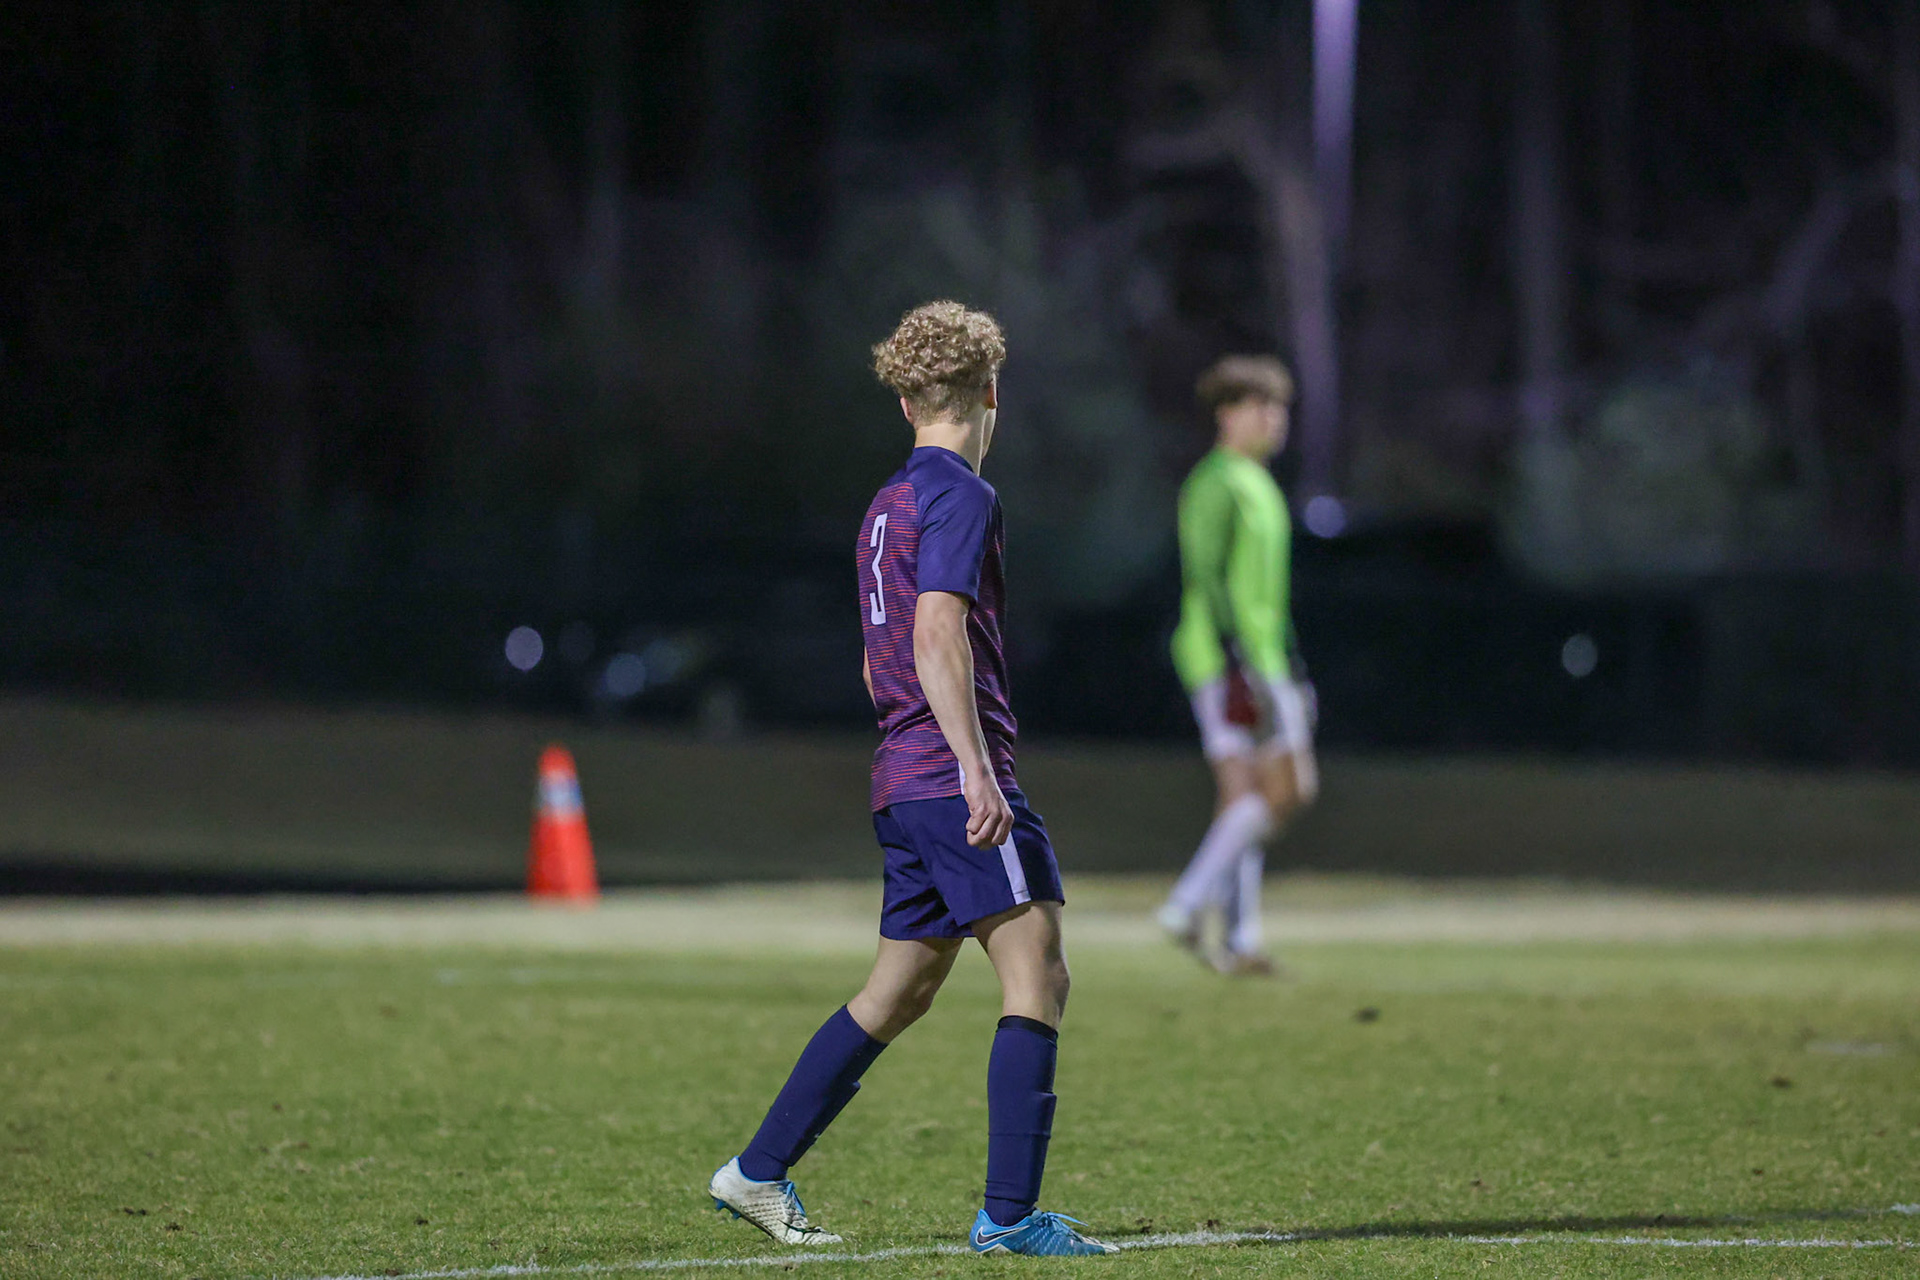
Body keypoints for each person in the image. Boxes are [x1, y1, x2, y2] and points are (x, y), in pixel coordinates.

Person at [708, 301, 1115, 1258]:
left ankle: (756, 1173)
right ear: (991, 392)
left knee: (898, 990)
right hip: (948, 772)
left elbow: (873, 657)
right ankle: (1009, 1220)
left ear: (903, 403)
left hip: (899, 769)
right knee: (1039, 973)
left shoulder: (888, 503)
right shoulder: (965, 497)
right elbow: (935, 633)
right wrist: (976, 770)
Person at [1156, 355, 1320, 976]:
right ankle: (1186, 903)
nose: (1274, 419)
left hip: (1260, 656)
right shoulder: (1216, 482)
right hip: (1227, 657)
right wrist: (1239, 663)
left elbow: (1265, 595)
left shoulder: (1259, 483)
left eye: (1278, 408)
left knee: (1244, 798)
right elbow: (1207, 574)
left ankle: (1242, 938)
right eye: (1261, 406)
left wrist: (1287, 664)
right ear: (1227, 414)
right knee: (1289, 789)